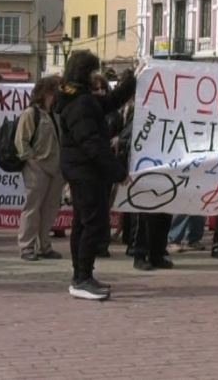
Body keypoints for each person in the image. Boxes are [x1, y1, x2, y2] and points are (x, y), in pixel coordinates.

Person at [55, 51, 136, 301]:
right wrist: (118, 172)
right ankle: (81, 278)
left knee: (84, 222)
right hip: (86, 171)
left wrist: (132, 79)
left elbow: (111, 101)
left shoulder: (79, 98)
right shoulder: (80, 104)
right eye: (93, 71)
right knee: (93, 224)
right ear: (85, 73)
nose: (96, 77)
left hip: (83, 170)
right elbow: (92, 144)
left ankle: (82, 274)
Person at [16, 76, 64, 262]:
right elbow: (22, 142)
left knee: (50, 209)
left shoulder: (57, 114)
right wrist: (31, 161)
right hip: (37, 167)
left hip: (56, 168)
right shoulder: (31, 113)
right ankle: (26, 246)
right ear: (47, 92)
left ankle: (44, 245)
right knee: (32, 208)